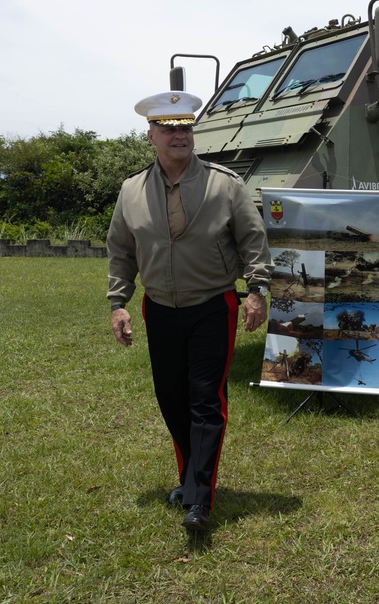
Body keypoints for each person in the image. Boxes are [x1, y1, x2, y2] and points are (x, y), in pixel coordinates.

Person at [106, 91, 273, 532]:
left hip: (211, 306)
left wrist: (256, 290)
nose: (179, 135)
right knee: (172, 398)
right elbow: (121, 251)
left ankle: (199, 498)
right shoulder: (131, 191)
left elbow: (253, 240)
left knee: (204, 399)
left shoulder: (225, 183)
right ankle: (188, 477)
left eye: (186, 127)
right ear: (151, 136)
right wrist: (117, 303)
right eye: (169, 128)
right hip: (158, 308)